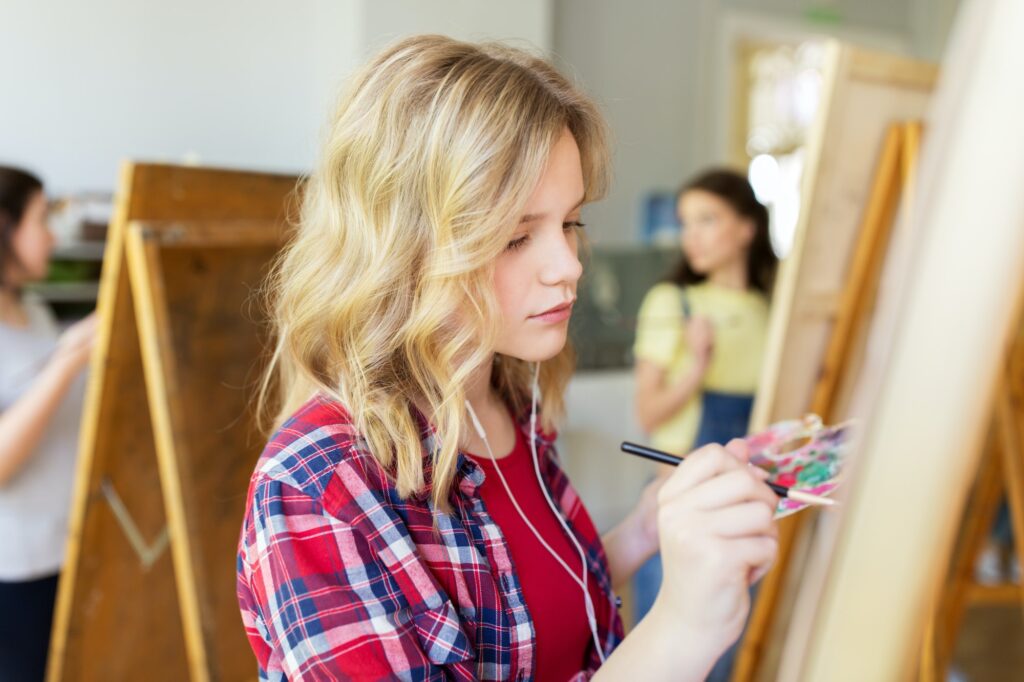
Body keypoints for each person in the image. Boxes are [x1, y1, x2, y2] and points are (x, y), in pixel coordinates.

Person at [236, 36, 778, 681]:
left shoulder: (507, 396)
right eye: (518, 236)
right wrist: (684, 626)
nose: (569, 266)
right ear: (402, 248)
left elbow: (523, 609)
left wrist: (642, 531)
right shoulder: (317, 490)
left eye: (571, 224)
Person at [631, 168, 778, 680]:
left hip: (743, 513)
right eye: (685, 222)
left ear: (746, 229)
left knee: (730, 655)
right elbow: (647, 414)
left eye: (707, 219)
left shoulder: (772, 312)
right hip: (675, 510)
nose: (690, 235)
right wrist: (696, 364)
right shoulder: (673, 302)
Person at [0, 166, 97, 681]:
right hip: (14, 571)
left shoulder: (34, 311)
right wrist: (67, 360)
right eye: (41, 218)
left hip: (69, 550)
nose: (52, 235)